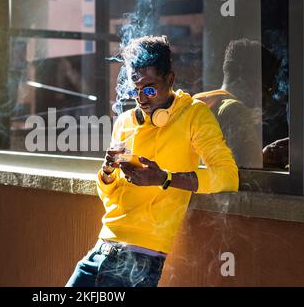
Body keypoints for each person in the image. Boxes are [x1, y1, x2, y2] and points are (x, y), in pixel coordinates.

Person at [66, 35, 239, 287]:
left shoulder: (194, 115)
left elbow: (228, 176)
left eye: (149, 88)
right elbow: (109, 197)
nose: (142, 99)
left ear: (170, 79)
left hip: (141, 259)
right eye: (135, 90)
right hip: (101, 249)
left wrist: (164, 178)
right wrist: (106, 172)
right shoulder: (125, 121)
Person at [194, 39, 285, 169]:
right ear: (245, 76)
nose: (267, 96)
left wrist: (263, 155)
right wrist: (264, 159)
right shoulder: (234, 111)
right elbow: (249, 175)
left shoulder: (202, 102)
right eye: (267, 86)